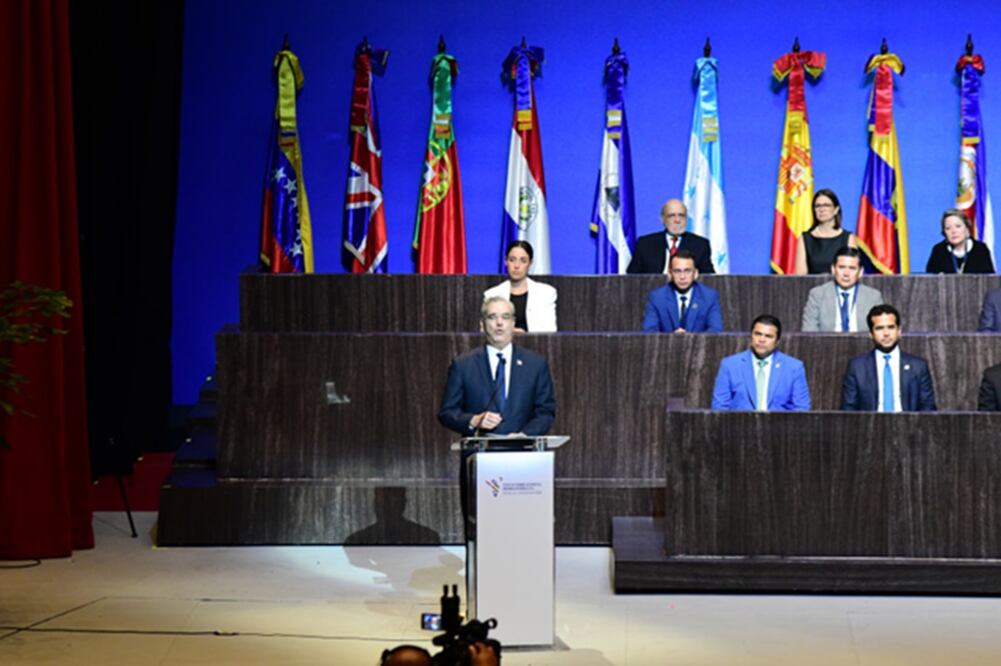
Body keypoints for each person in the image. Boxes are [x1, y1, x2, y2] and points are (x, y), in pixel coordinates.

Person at [439, 296, 556, 437]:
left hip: (522, 448)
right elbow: (447, 413)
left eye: (505, 317)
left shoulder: (535, 364)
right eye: (492, 317)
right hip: (480, 448)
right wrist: (474, 420)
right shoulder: (463, 365)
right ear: (482, 324)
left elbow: (545, 412)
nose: (499, 323)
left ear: (513, 323)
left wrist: (525, 435)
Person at [841, 304, 937, 411]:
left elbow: (928, 408)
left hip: (908, 421)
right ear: (871, 334)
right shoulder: (857, 367)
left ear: (899, 331)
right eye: (879, 328)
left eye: (891, 327)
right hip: (870, 421)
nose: (886, 333)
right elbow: (848, 410)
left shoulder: (918, 367)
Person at [711, 314, 811, 411]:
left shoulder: (794, 367)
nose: (762, 340)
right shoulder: (730, 365)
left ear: (777, 341)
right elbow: (719, 408)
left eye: (768, 336)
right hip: (740, 422)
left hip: (780, 422)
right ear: (751, 336)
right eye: (758, 334)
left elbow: (802, 408)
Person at [801, 247, 884, 332]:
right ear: (833, 269)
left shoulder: (873, 297)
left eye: (852, 268)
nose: (846, 273)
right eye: (841, 267)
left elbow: (880, 331)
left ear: (860, 272)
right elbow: (809, 332)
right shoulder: (817, 295)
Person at [483, 240, 557, 333]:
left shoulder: (546, 293)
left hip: (534, 342)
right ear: (506, 261)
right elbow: (486, 329)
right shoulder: (491, 295)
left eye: (523, 261)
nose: (517, 266)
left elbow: (550, 331)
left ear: (530, 264)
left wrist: (524, 335)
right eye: (512, 260)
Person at [642, 249, 723, 333]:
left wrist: (690, 339)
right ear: (670, 274)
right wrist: (672, 338)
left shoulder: (709, 297)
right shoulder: (657, 297)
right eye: (677, 271)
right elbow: (649, 331)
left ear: (695, 274)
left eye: (687, 271)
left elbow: (715, 330)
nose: (682, 277)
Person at [626, 198, 715, 274]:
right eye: (672, 216)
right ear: (662, 219)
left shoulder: (700, 245)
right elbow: (631, 277)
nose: (677, 220)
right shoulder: (645, 244)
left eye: (681, 215)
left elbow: (709, 279)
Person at [794, 189, 858, 275]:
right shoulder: (805, 239)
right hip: (813, 284)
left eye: (826, 205)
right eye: (817, 206)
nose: (821, 209)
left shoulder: (848, 238)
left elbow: (852, 273)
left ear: (836, 209)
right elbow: (800, 277)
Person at [925, 208, 995, 274]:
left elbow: (990, 279)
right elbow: (930, 278)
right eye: (948, 228)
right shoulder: (938, 251)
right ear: (944, 232)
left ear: (967, 228)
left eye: (958, 226)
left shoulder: (980, 249)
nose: (953, 231)